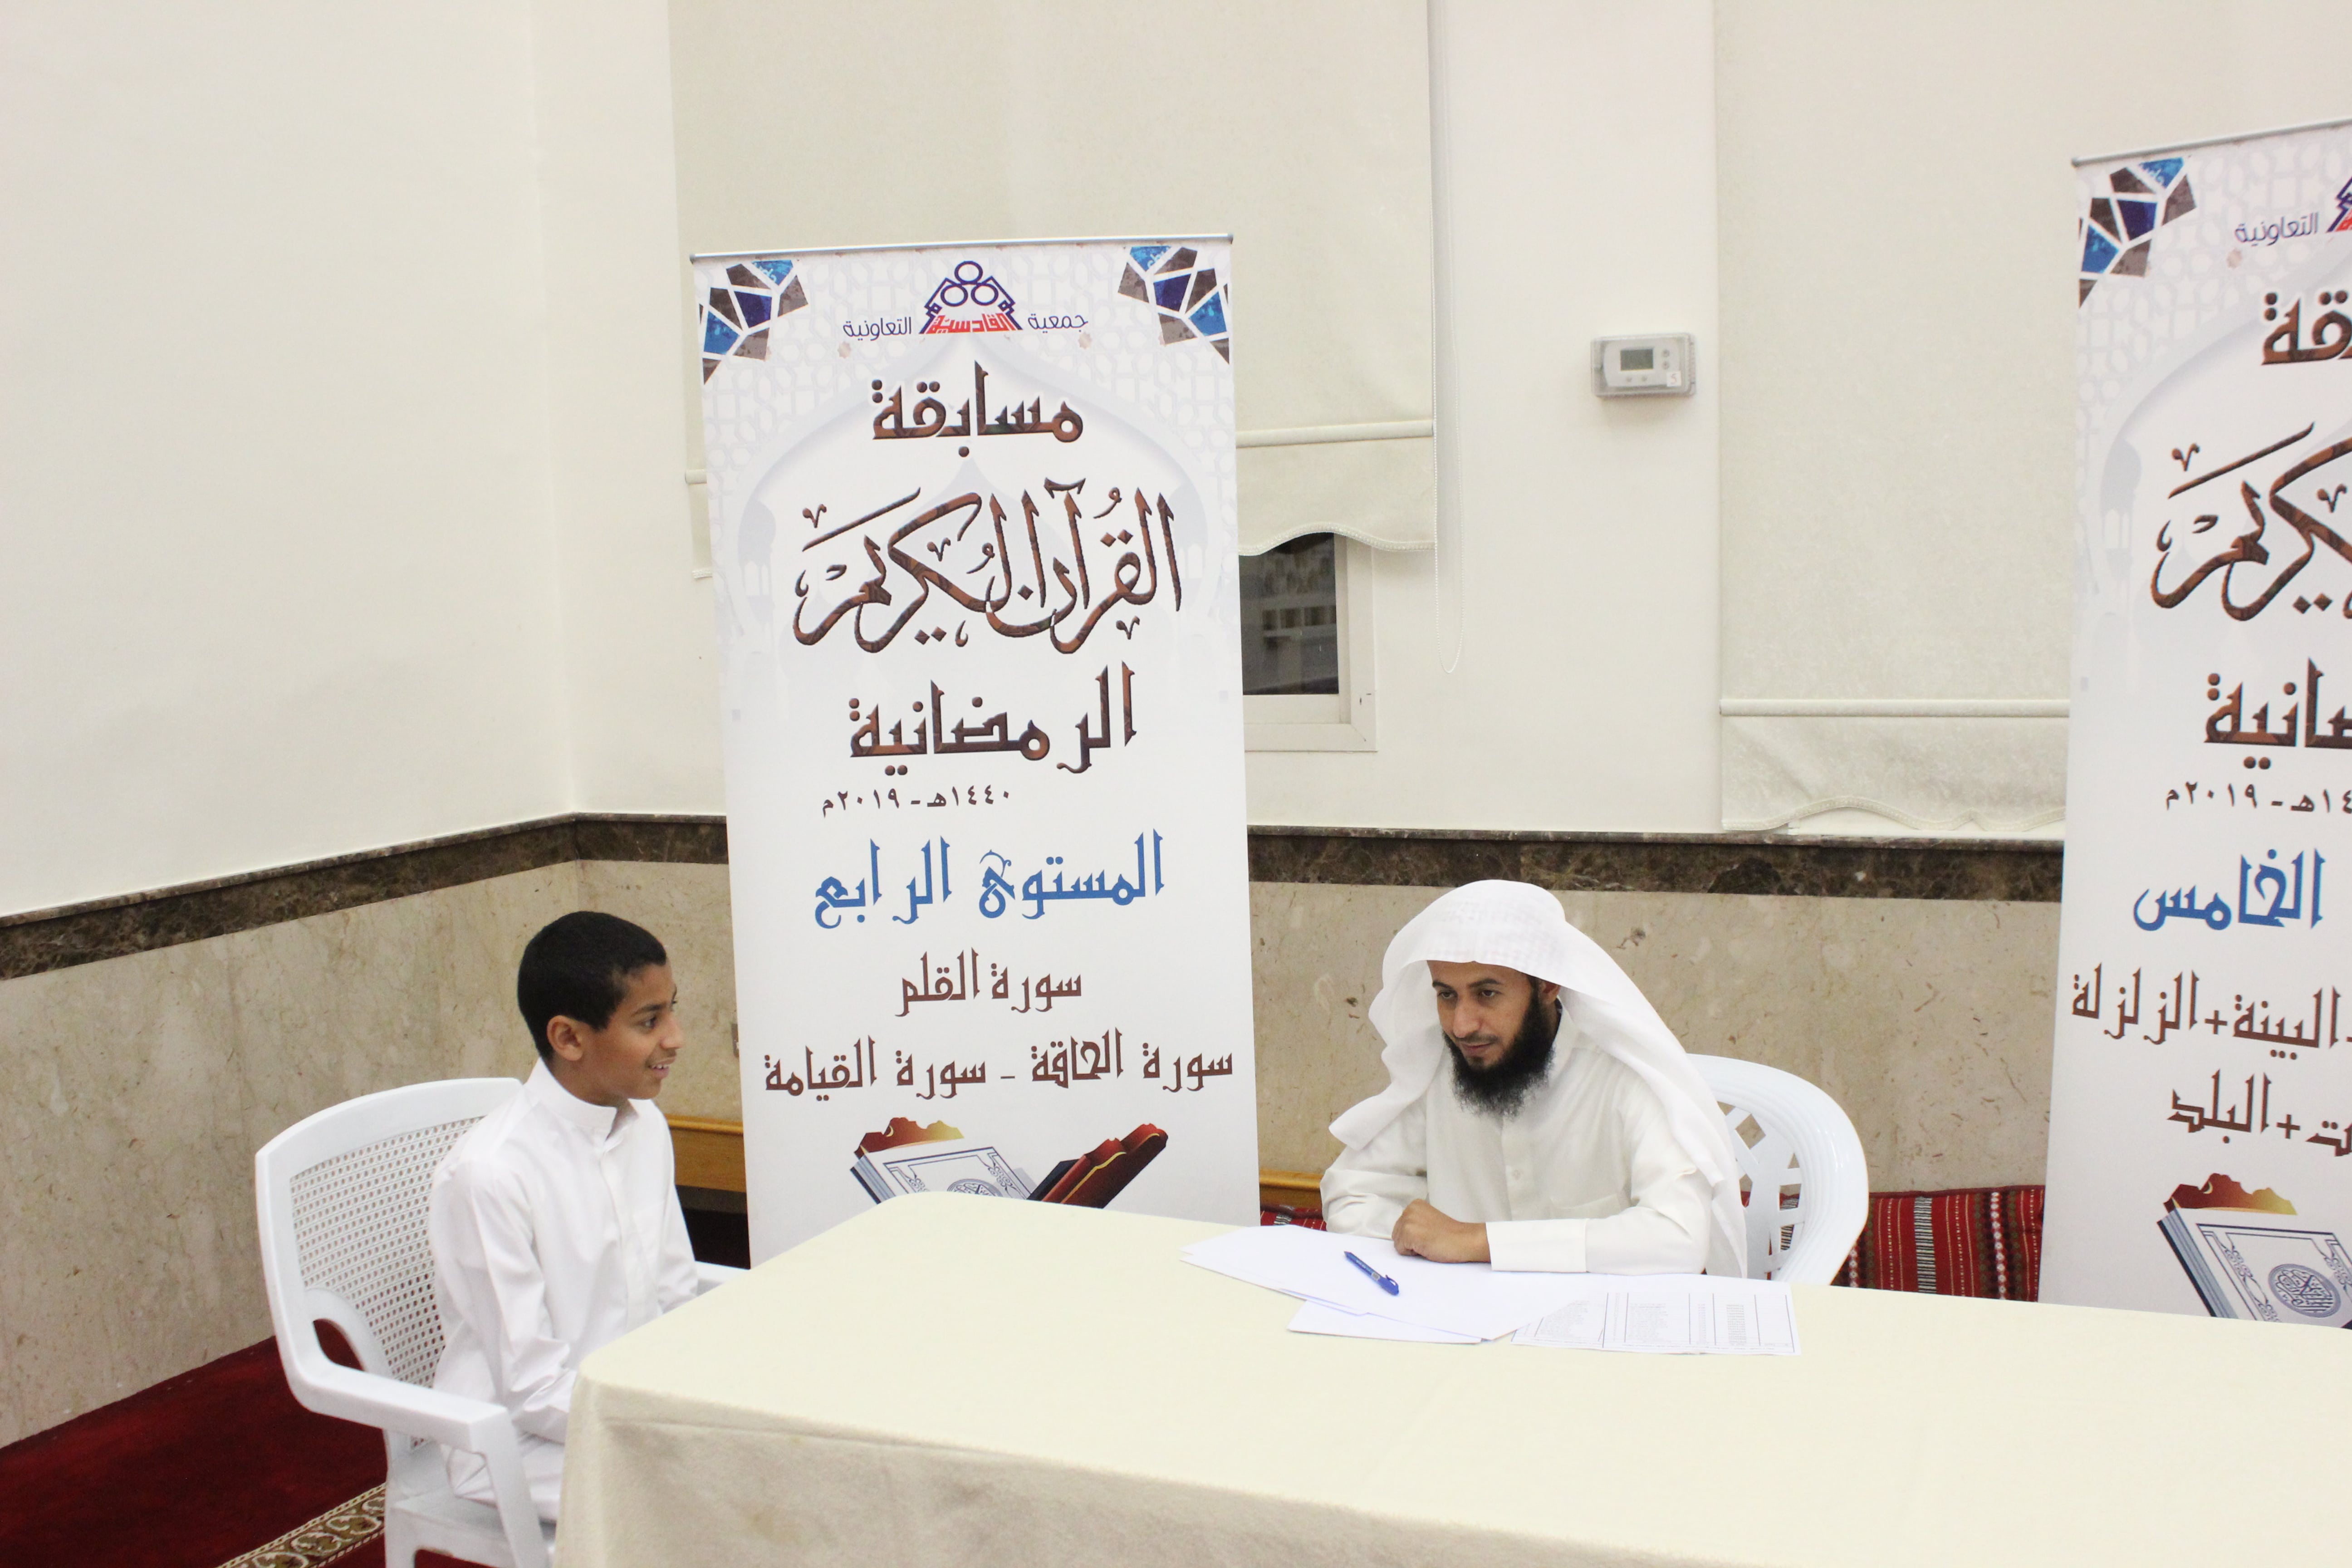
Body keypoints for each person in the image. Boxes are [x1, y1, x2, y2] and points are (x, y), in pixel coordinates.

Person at [1321, 880, 1748, 1276]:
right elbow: (1352, 1193)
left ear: (1547, 986)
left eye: (1487, 994)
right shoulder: (1441, 1070)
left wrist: (1478, 1242)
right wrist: (1421, 1250)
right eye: (1447, 995)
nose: (1463, 1025)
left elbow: (1679, 1238)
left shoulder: (1623, 1078)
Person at [427, 911, 700, 1522]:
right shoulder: (491, 1175)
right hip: (519, 1442)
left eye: (672, 1011)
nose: (676, 1038)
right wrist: (670, 1425)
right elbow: (533, 1391)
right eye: (649, 1021)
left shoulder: (646, 1125)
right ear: (569, 1039)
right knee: (715, 1494)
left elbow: (675, 1293)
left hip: (637, 1406)